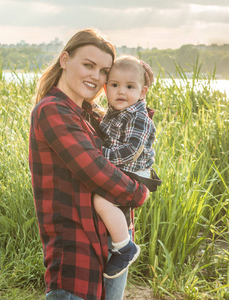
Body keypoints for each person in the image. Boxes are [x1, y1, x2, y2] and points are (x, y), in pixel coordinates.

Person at [29, 28, 152, 300]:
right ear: (64, 60)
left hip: (113, 246)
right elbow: (97, 171)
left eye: (104, 71)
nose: (96, 77)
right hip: (77, 251)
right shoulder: (52, 110)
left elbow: (131, 150)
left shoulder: (92, 116)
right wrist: (139, 192)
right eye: (88, 65)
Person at [93, 56, 161, 280]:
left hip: (134, 170)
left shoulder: (138, 116)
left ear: (142, 92)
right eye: (114, 85)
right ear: (105, 88)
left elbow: (132, 149)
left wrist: (101, 156)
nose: (121, 91)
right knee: (103, 201)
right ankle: (117, 239)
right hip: (124, 167)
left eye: (130, 86)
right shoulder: (116, 111)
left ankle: (124, 247)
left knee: (101, 200)